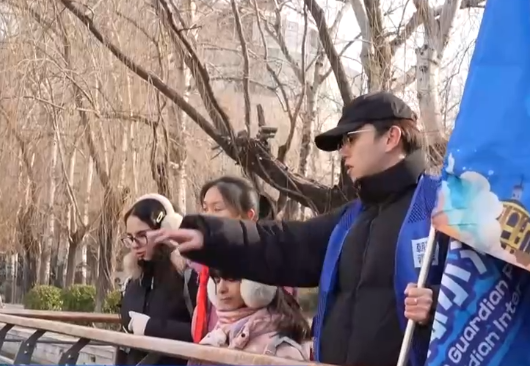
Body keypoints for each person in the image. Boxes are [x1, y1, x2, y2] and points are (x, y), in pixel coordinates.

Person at [152, 92, 451, 366]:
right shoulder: (349, 221)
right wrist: (210, 237)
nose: (343, 151)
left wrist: (437, 301)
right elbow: (282, 244)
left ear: (391, 137)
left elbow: (477, 290)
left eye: (351, 139)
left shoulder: (442, 208)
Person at [190, 177, 294, 343]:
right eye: (205, 208)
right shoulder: (205, 264)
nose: (207, 217)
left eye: (217, 209)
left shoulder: (271, 264)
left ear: (249, 216)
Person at [116, 193, 198, 365]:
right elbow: (123, 346)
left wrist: (150, 327)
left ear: (165, 230)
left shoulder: (188, 275)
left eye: (142, 235)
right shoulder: (132, 282)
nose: (134, 244)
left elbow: (204, 333)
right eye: (130, 237)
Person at [188, 268, 311, 364]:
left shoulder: (282, 352)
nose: (221, 289)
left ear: (256, 283)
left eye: (231, 278)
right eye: (217, 280)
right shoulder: (214, 338)